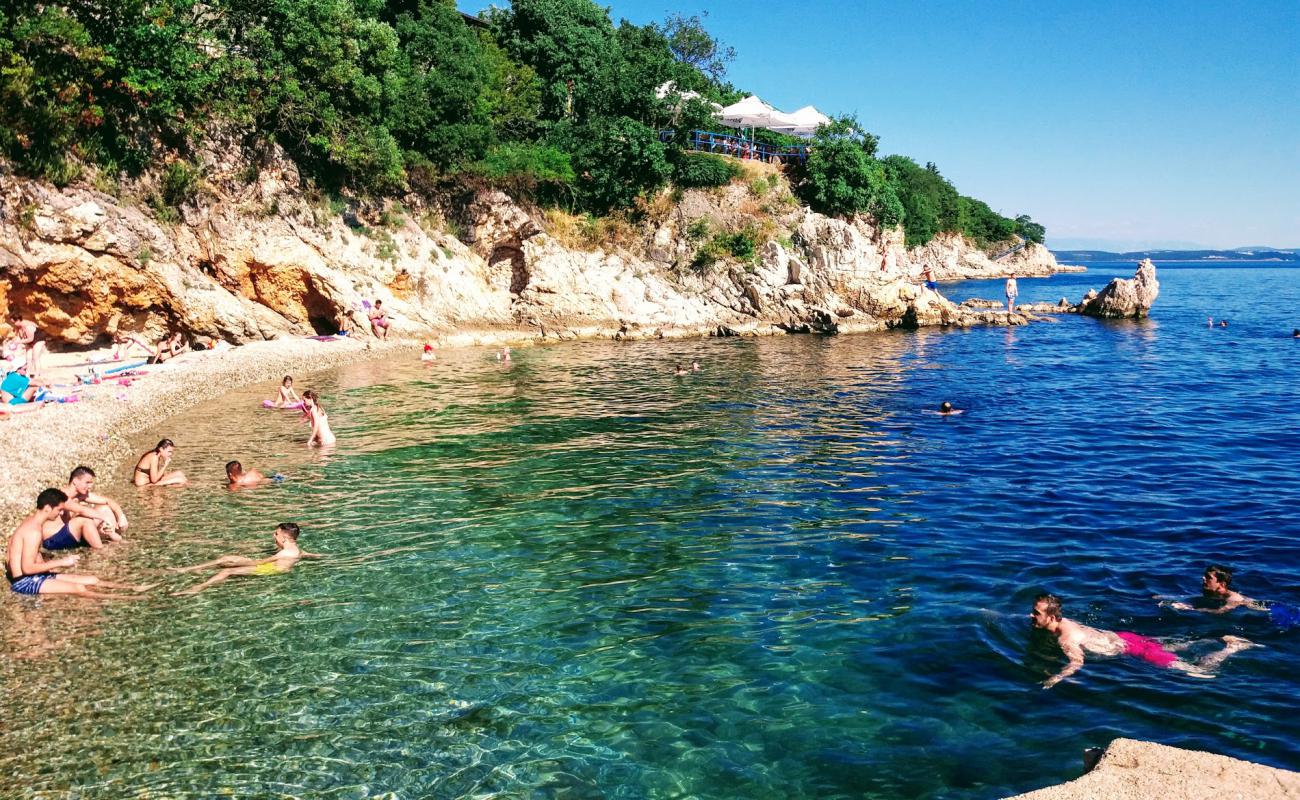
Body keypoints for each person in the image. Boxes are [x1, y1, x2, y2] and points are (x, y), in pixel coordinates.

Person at [1031, 593, 1254, 688]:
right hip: (1123, 637)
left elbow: (1077, 663)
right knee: (1172, 644)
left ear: (1051, 617)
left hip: (1131, 650)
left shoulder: (1066, 639)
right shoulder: (1064, 620)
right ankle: (1214, 638)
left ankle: (1231, 648)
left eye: (1036, 613)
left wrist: (1056, 678)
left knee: (1200, 672)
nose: (1032, 616)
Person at [8, 489, 150, 598]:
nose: (60, 513)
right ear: (47, 508)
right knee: (79, 589)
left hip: (36, 575)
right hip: (24, 582)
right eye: (59, 509)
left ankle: (133, 588)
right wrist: (62, 562)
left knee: (92, 580)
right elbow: (27, 568)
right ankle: (125, 598)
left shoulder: (31, 522)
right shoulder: (34, 531)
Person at [172, 522, 319, 596]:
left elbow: (259, 563)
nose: (273, 536)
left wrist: (238, 562)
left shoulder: (284, 553)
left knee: (228, 571)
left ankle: (197, 588)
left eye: (276, 534)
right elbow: (306, 554)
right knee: (226, 558)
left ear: (285, 538)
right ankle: (189, 569)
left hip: (272, 569)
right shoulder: (295, 549)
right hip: (269, 565)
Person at [59, 466, 128, 547]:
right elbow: (68, 520)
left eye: (91, 483)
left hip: (81, 530)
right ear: (75, 481)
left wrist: (121, 516)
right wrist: (102, 518)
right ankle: (108, 540)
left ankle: (110, 536)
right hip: (67, 535)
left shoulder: (80, 495)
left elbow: (108, 501)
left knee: (104, 508)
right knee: (87, 517)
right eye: (87, 482)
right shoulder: (61, 496)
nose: (90, 486)